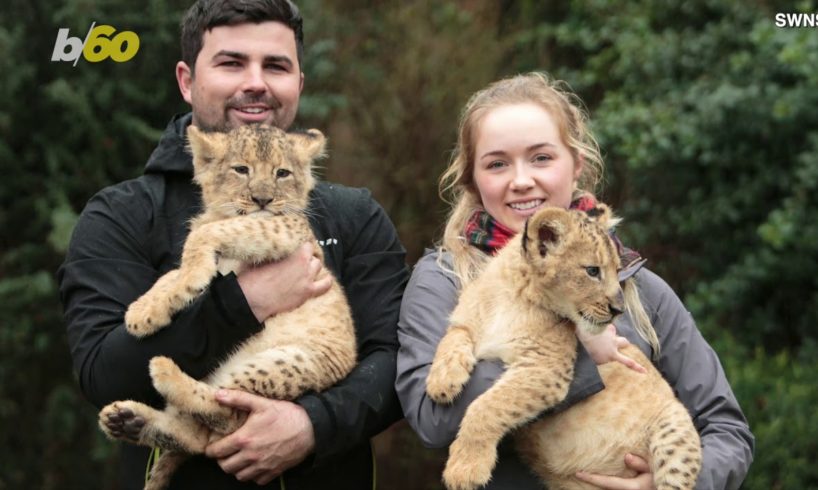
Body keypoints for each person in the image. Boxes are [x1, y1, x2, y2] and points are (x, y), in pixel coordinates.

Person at [57, 1, 408, 489]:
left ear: (299, 85)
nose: (256, 82)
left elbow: (397, 363)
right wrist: (245, 302)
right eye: (231, 62)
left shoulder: (354, 214)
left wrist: (312, 426)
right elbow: (104, 375)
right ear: (186, 80)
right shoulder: (120, 215)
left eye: (277, 66)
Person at [395, 72, 754, 489]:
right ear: (472, 179)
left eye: (541, 158)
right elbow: (430, 419)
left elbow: (726, 428)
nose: (522, 180)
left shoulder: (637, 288)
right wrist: (584, 359)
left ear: (576, 165)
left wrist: (671, 484)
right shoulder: (443, 279)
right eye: (497, 163)